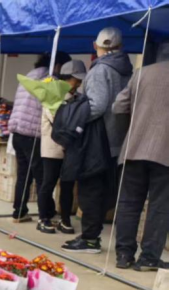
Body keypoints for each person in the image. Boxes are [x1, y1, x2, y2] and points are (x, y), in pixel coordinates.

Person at [63, 27, 132, 253]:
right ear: (120, 46)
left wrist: (73, 114)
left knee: (89, 188)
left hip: (97, 139)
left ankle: (90, 239)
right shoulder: (127, 69)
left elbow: (97, 105)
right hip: (117, 137)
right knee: (104, 188)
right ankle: (92, 234)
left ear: (95, 46)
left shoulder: (101, 69)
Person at [111, 52, 169, 271]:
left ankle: (124, 255)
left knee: (128, 203)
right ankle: (149, 259)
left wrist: (133, 127)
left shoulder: (141, 73)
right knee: (160, 206)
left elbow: (118, 107)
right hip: (165, 153)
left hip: (134, 148)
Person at [8, 52, 71, 223]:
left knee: (23, 175)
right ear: (57, 65)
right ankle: (48, 213)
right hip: (33, 134)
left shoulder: (30, 75)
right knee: (42, 176)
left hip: (18, 132)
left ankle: (19, 212)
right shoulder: (49, 80)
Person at [37, 60, 85, 235]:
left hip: (70, 148)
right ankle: (43, 219)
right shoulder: (52, 95)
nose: (78, 84)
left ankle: (65, 220)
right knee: (48, 183)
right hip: (52, 147)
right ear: (66, 78)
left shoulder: (76, 97)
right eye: (76, 80)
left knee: (67, 185)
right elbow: (58, 122)